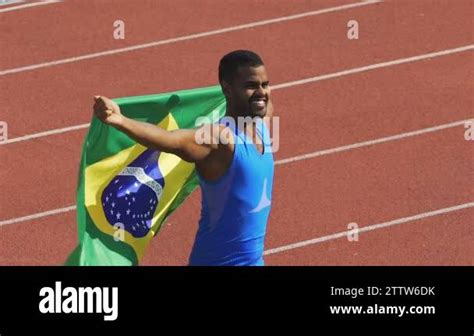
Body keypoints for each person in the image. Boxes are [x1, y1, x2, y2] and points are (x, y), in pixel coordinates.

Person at [93, 50, 274, 266]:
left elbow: (264, 104)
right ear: (227, 89)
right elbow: (170, 140)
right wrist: (120, 121)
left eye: (265, 84)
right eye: (251, 86)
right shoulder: (220, 140)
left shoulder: (261, 125)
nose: (261, 92)